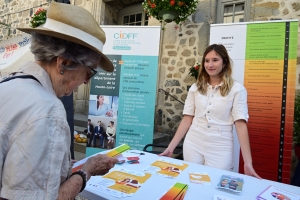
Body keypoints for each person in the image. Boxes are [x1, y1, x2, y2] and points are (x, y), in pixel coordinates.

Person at [0, 2, 118, 199]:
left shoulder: (9, 84)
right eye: (89, 72)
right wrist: (86, 171)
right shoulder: (48, 111)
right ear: (65, 63)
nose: (86, 81)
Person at [160, 44, 261, 179]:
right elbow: (187, 119)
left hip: (220, 145)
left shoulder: (237, 89)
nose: (210, 64)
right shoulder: (196, 88)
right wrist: (171, 147)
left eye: (215, 60)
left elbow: (241, 125)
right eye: (207, 61)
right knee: (192, 180)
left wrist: (248, 163)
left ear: (224, 62)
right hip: (193, 141)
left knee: (216, 183)